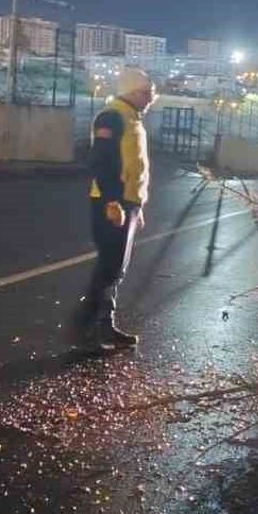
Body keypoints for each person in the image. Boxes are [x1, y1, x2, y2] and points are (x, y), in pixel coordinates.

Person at [80, 67, 154, 350]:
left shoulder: (133, 118)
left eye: (151, 93)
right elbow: (101, 162)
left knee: (115, 267)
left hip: (128, 203)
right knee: (110, 266)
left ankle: (102, 326)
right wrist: (113, 201)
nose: (150, 98)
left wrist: (138, 206)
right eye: (146, 93)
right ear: (131, 92)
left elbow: (135, 167)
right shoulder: (112, 116)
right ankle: (90, 326)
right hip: (111, 202)